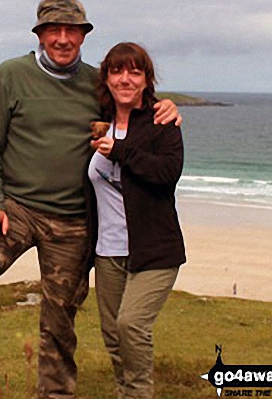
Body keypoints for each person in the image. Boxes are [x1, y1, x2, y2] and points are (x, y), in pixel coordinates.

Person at [0, 0, 182, 398]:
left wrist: (167, 108)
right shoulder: (9, 76)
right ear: (39, 34)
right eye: (53, 30)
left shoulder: (97, 83)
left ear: (82, 36)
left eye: (71, 30)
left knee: (59, 321)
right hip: (16, 207)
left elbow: (134, 104)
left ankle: (55, 395)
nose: (62, 38)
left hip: (73, 221)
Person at [88, 42, 186, 399]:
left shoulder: (162, 120)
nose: (125, 79)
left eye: (134, 71)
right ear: (107, 78)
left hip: (155, 250)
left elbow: (168, 172)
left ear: (146, 79)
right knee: (113, 336)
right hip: (108, 251)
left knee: (131, 325)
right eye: (117, 71)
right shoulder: (99, 119)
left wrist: (122, 150)